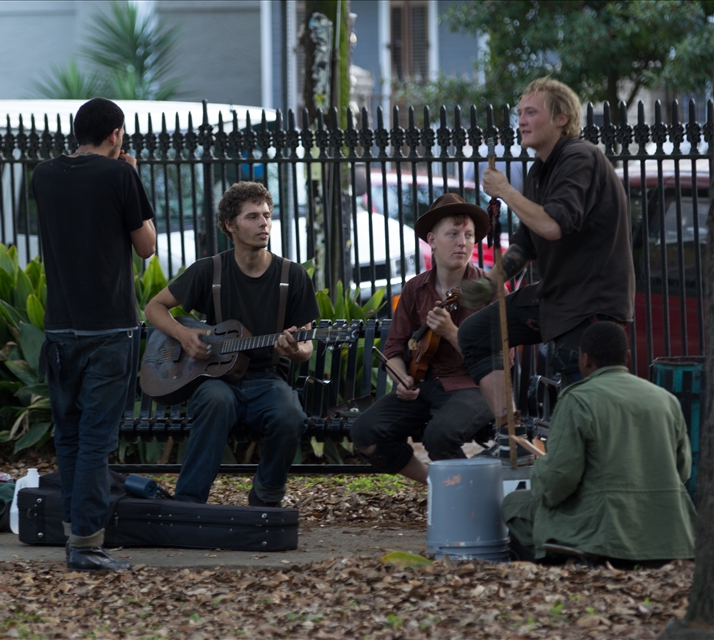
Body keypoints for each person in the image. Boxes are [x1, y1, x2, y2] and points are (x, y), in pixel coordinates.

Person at [457, 77, 635, 459]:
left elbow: (553, 225)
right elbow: (527, 239)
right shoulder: (540, 171)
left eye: (531, 112)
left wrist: (505, 191)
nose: (521, 120)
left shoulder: (579, 156)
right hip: (558, 298)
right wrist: (493, 281)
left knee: (580, 408)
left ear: (561, 118)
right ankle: (511, 434)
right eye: (519, 112)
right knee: (475, 333)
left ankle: (594, 476)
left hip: (590, 304)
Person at [33, 98, 156, 572]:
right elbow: (146, 247)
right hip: (109, 327)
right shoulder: (121, 176)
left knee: (68, 436)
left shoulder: (44, 174)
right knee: (96, 440)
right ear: (117, 134)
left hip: (60, 325)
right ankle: (85, 544)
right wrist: (133, 174)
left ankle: (74, 533)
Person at [144, 182, 319, 507]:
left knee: (289, 414)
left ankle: (265, 500)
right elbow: (153, 307)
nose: (264, 223)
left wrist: (295, 350)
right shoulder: (209, 270)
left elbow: (307, 346)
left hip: (268, 380)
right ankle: (188, 506)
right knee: (215, 402)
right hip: (215, 378)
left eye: (266, 215)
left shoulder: (292, 276)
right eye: (252, 217)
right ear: (230, 225)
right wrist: (184, 335)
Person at [501, 322, 695, 565]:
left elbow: (554, 484)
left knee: (515, 503)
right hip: (669, 532)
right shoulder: (666, 399)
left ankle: (562, 565)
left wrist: (542, 468)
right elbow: (683, 470)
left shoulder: (577, 400)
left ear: (585, 359)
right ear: (627, 357)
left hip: (605, 533)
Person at [349, 194, 495, 483]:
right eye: (452, 234)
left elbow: (500, 360)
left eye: (468, 235)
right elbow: (394, 346)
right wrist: (401, 377)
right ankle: (436, 484)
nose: (462, 242)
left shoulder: (488, 290)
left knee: (439, 435)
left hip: (475, 387)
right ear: (432, 239)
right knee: (364, 433)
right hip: (425, 387)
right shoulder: (415, 289)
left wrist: (453, 334)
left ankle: (468, 497)